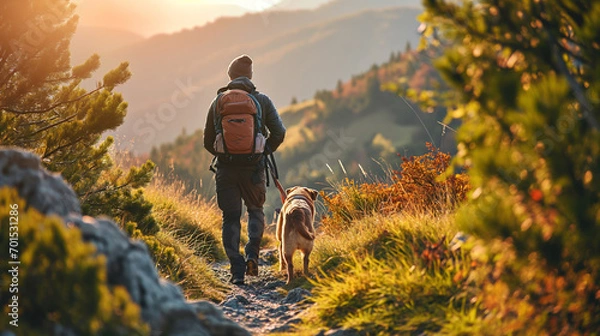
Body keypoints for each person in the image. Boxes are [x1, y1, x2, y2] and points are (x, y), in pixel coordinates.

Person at [203, 54, 286, 285]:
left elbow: (207, 141)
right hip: (254, 168)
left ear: (230, 76)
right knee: (255, 210)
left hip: (226, 170)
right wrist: (261, 150)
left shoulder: (218, 102)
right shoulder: (263, 101)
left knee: (230, 217)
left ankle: (236, 270)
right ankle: (252, 256)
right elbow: (279, 133)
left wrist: (225, 154)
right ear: (250, 76)